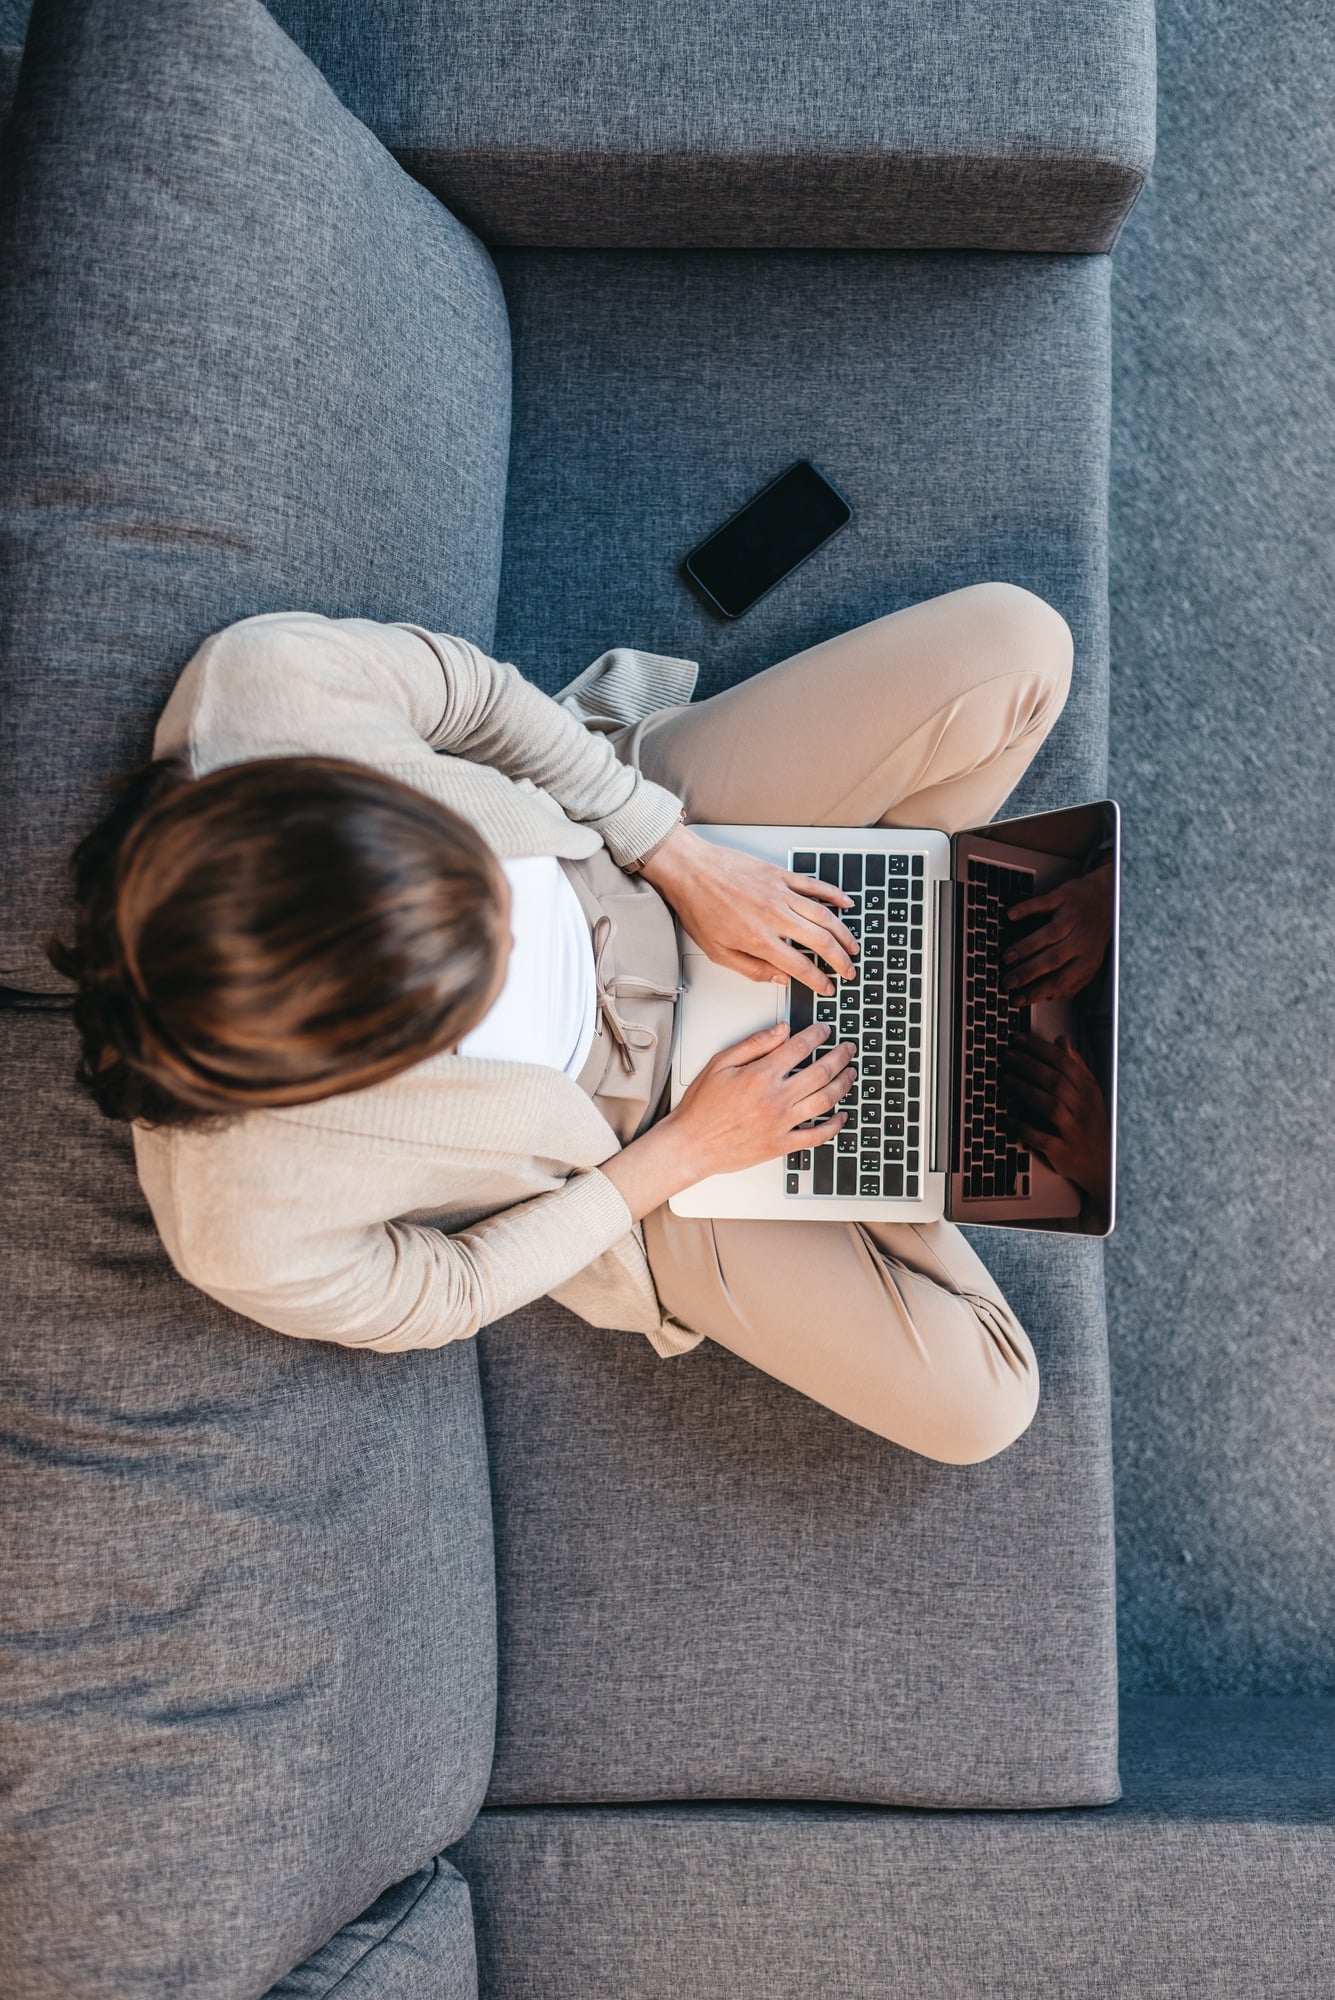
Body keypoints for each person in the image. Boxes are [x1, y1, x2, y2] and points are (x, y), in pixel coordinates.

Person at [51, 580, 1074, 1465]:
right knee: (987, 1400)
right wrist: (691, 1150)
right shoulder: (242, 1229)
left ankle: (908, 1038)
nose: (515, 928)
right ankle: (907, 1086)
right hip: (640, 1151)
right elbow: (448, 1291)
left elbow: (479, 697)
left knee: (1021, 645)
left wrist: (680, 855)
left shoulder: (263, 686)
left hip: (647, 851)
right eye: (471, 991)